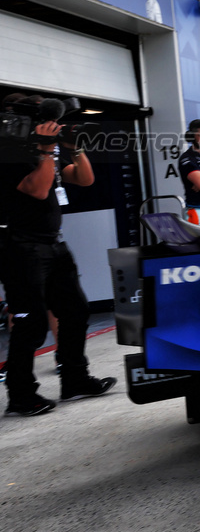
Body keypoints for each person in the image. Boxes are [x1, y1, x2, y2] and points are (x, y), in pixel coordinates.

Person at [1, 105, 116, 416]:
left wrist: (72, 148)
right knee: (31, 323)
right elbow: (37, 190)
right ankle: (21, 396)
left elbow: (84, 179)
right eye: (47, 122)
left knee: (76, 312)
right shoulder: (8, 152)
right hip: (20, 247)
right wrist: (45, 148)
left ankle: (75, 380)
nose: (53, 126)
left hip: (53, 245)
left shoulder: (45, 151)